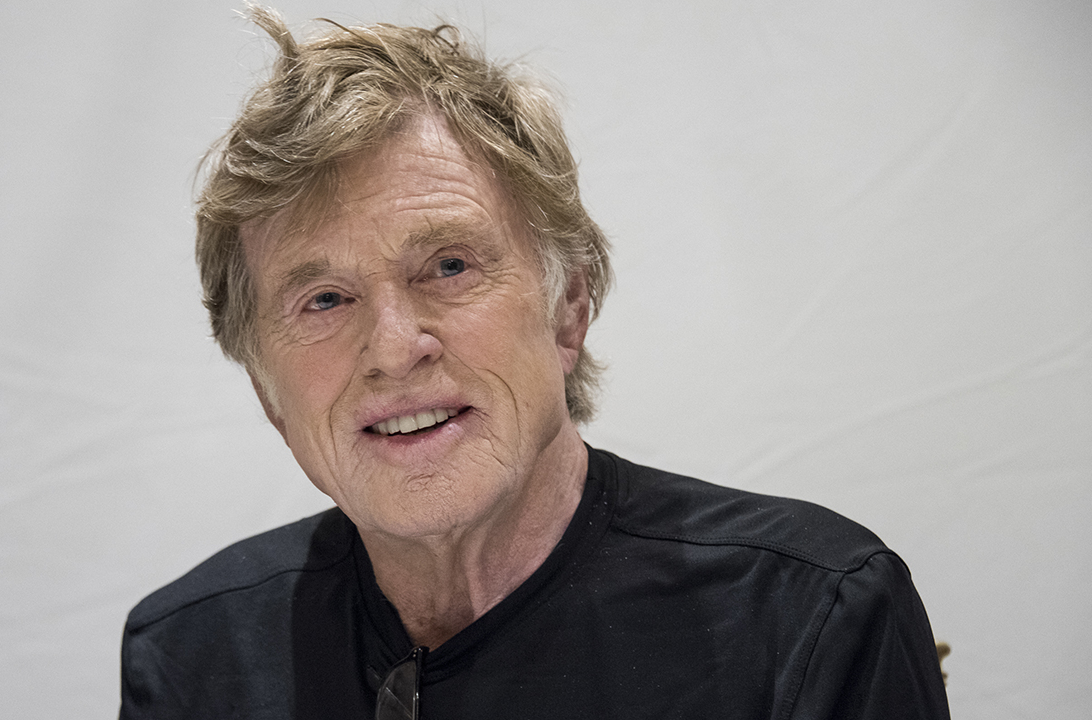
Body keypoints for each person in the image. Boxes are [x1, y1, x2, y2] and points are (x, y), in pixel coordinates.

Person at [119, 7, 951, 719]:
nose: (394, 346)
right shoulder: (194, 653)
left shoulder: (811, 616)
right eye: (325, 301)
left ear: (569, 309)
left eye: (448, 266)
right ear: (266, 388)